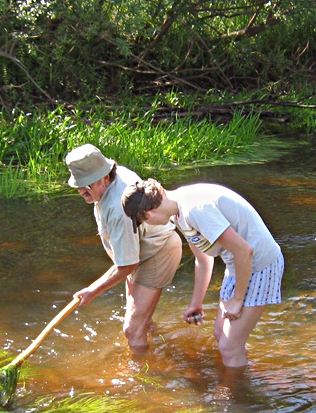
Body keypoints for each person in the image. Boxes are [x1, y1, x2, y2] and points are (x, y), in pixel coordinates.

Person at [121, 179, 284, 368]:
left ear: (148, 214)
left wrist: (237, 300)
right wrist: (196, 303)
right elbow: (204, 258)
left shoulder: (194, 210)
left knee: (229, 347)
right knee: (220, 334)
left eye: (142, 222)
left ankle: (235, 394)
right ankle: (242, 375)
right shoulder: (178, 213)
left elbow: (244, 250)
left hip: (260, 264)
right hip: (238, 266)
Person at [65, 144, 182, 351]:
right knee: (141, 320)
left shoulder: (119, 208)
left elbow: (128, 264)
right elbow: (127, 258)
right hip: (136, 252)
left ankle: (140, 378)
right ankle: (159, 348)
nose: (82, 191)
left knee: (131, 330)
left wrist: (92, 290)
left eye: (87, 185)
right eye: (79, 185)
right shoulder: (108, 181)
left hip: (157, 253)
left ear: (104, 177)